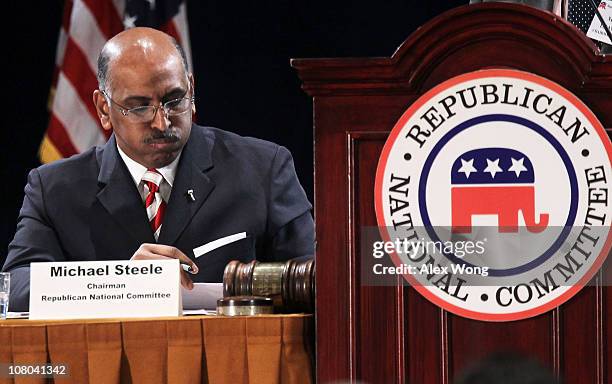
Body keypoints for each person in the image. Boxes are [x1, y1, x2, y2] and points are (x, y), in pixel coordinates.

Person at [3, 27, 314, 311]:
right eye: (139, 107)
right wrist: (121, 283)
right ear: (103, 109)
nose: (161, 121)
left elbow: (318, 279)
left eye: (174, 100)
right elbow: (15, 287)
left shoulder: (263, 168)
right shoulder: (54, 188)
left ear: (191, 90)